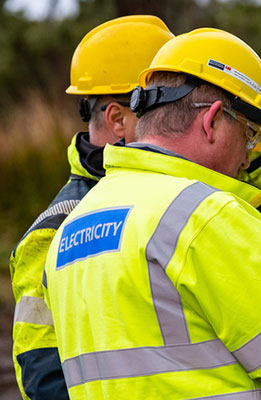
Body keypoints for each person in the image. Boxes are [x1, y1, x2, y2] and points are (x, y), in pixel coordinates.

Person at [43, 28, 261, 399]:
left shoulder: (72, 227)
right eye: (250, 135)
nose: (245, 159)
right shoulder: (203, 215)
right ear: (211, 120)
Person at [9, 15, 175, 399]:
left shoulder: (198, 189)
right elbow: (44, 374)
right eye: (166, 103)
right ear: (118, 118)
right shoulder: (56, 229)